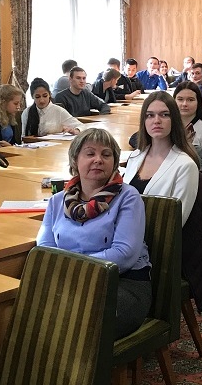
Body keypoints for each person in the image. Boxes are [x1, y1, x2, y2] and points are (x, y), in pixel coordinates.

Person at [36, 128, 152, 340]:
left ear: (114, 162)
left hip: (122, 284)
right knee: (30, 312)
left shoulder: (128, 197)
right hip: (71, 283)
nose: (98, 159)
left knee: (78, 320)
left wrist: (74, 268)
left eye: (106, 154)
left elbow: (124, 254)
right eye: (90, 153)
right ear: (75, 160)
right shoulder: (57, 201)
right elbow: (44, 249)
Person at [124, 91, 200, 226]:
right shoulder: (135, 156)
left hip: (154, 236)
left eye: (164, 115)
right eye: (150, 115)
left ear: (174, 120)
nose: (157, 121)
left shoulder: (186, 166)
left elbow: (176, 222)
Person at [174, 81, 202, 148]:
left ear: (198, 103)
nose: (184, 104)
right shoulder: (168, 127)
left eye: (190, 100)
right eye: (180, 99)